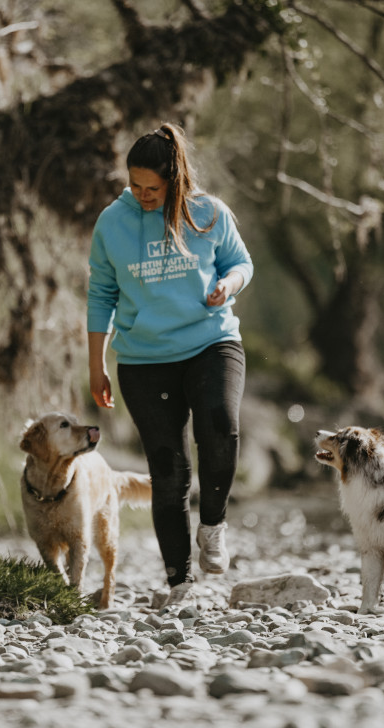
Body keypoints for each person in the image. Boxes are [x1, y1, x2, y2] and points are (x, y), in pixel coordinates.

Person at [86, 123, 253, 606]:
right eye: (135, 186)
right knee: (169, 469)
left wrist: (230, 285)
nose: (142, 195)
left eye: (152, 189)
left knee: (220, 422)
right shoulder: (112, 223)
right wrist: (97, 366)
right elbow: (101, 296)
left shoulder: (207, 213)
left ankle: (214, 525)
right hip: (144, 359)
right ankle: (180, 582)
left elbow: (241, 262)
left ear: (175, 180)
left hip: (211, 341)